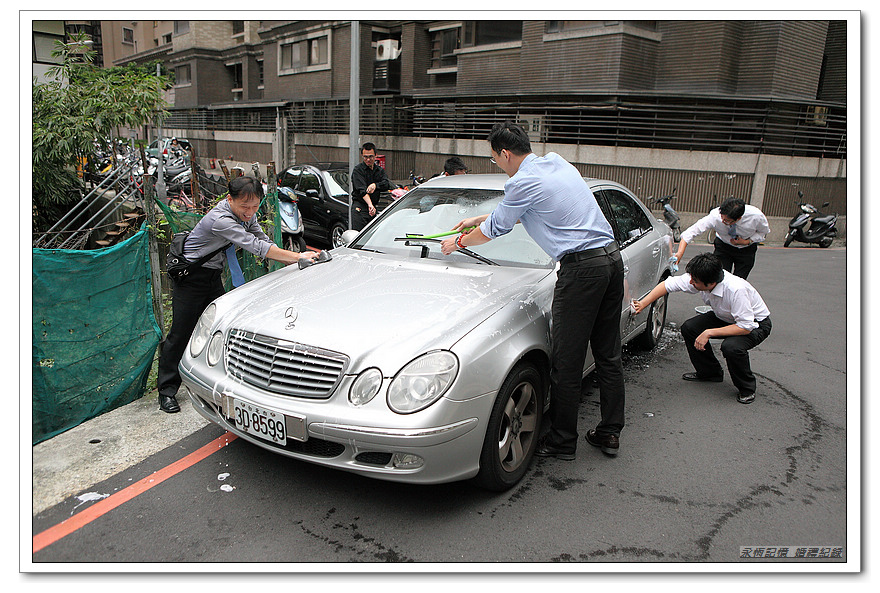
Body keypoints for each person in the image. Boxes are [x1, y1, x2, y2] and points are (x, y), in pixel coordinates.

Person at [440, 121, 625, 459]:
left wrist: (460, 241)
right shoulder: (555, 162)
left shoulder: (521, 181)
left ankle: (561, 442)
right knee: (608, 354)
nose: (498, 164)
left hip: (581, 270)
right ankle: (610, 432)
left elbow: (498, 228)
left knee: (566, 362)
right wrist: (478, 217)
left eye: (496, 159)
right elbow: (540, 211)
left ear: (506, 153)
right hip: (611, 260)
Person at [156, 175, 319, 413]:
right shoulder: (220, 220)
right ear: (229, 199)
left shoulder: (246, 216)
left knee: (219, 327)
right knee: (181, 333)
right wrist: (297, 256)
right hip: (191, 279)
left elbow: (260, 237)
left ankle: (215, 379)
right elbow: (255, 246)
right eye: (244, 206)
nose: (250, 212)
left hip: (212, 276)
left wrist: (288, 259)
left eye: (255, 207)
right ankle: (166, 391)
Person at [632, 252, 771, 405]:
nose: (691, 282)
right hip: (725, 317)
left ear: (711, 283)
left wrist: (709, 332)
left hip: (755, 324)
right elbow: (667, 285)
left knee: (731, 347)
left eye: (695, 281)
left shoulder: (736, 290)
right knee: (689, 328)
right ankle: (710, 373)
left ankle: (747, 388)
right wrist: (643, 304)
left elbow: (745, 327)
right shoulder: (700, 275)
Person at [675, 197, 770, 280]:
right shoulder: (715, 216)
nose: (723, 221)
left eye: (727, 221)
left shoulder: (756, 216)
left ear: (739, 218)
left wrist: (747, 241)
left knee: (739, 281)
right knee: (720, 278)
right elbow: (691, 232)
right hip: (723, 247)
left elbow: (763, 232)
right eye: (722, 218)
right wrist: (679, 254)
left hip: (746, 250)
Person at [350, 142, 391, 231]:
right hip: (360, 207)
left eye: (371, 156)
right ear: (362, 156)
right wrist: (370, 205)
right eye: (365, 157)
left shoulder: (379, 170)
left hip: (373, 207)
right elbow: (361, 190)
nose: (368, 160)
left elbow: (386, 184)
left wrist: (375, 185)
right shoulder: (358, 170)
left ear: (375, 155)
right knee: (358, 235)